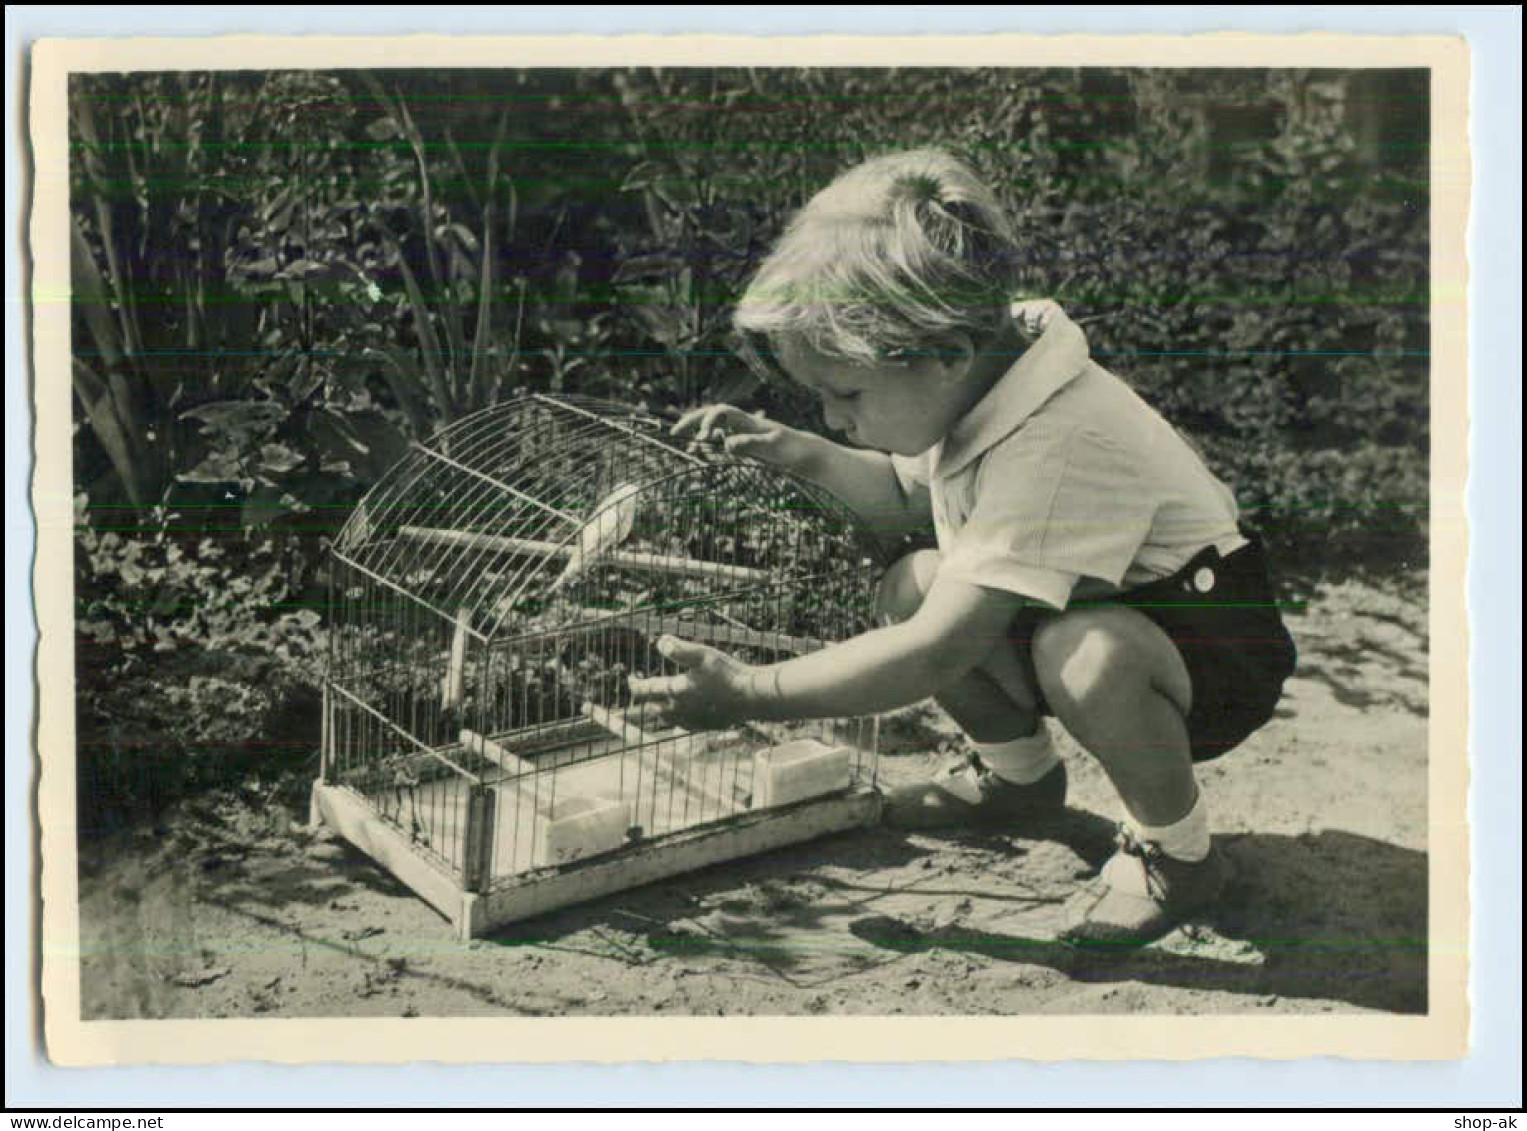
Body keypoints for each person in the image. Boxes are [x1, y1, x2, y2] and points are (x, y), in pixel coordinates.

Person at [627, 149, 1296, 946]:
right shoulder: (981, 372)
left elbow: (938, 652)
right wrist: (792, 447)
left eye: (846, 395)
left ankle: (1179, 854)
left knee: (1084, 653)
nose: (835, 416)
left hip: (1212, 643)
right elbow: (904, 495)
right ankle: (1018, 779)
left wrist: (750, 691)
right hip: (1118, 610)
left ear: (943, 357)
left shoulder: (1053, 440)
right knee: (914, 580)